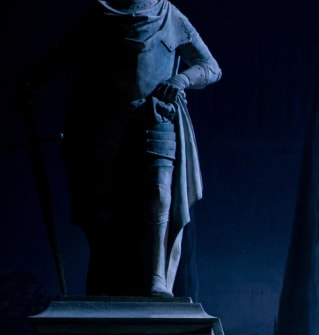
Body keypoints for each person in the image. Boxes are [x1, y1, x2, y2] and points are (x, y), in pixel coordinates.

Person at [17, 0, 222, 297]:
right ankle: (107, 276)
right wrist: (32, 86)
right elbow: (62, 55)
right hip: (106, 124)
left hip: (155, 117)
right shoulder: (102, 15)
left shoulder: (169, 15)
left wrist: (181, 79)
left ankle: (157, 277)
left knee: (159, 194)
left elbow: (210, 67)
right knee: (104, 204)